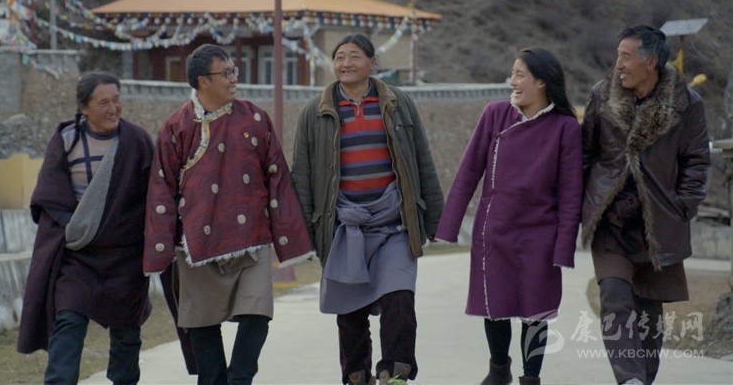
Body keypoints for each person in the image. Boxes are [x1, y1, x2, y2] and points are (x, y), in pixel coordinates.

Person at [143, 44, 315, 385]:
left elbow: (278, 179)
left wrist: (290, 237)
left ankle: (239, 379)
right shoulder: (177, 126)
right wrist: (162, 245)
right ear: (203, 81)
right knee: (202, 323)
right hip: (195, 245)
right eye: (227, 73)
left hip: (252, 239)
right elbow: (161, 189)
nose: (235, 78)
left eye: (234, 71)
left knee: (258, 314)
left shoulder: (255, 118)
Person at [291, 34, 444, 385]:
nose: (346, 63)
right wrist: (304, 234)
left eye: (355, 56)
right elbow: (302, 175)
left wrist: (435, 219)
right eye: (339, 56)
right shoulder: (314, 111)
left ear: (373, 63)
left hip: (394, 224)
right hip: (343, 227)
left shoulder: (399, 103)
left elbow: (422, 160)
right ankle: (356, 377)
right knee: (350, 313)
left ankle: (395, 374)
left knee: (400, 300)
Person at [433, 48, 583, 385]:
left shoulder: (566, 128)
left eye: (519, 75)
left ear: (541, 81)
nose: (512, 81)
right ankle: (499, 369)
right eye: (512, 74)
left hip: (540, 234)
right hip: (496, 229)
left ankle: (531, 377)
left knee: (536, 310)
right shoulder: (495, 114)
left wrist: (563, 247)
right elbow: (468, 173)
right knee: (495, 305)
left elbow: (571, 194)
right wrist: (447, 227)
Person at [581, 25, 710, 385]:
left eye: (626, 56)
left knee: (649, 315)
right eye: (618, 55)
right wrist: (584, 206)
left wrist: (683, 207)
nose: (618, 64)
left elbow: (697, 162)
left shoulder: (687, 104)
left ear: (650, 61)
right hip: (610, 221)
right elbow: (585, 153)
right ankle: (630, 380)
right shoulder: (601, 95)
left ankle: (643, 379)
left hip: (659, 222)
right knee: (614, 297)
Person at [17, 71, 154, 385]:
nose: (113, 109)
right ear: (83, 107)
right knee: (68, 319)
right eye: (103, 102)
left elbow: (156, 194)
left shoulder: (136, 141)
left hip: (125, 256)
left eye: (116, 100)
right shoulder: (67, 141)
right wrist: (74, 227)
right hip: (80, 255)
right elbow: (49, 195)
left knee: (127, 335)